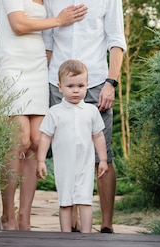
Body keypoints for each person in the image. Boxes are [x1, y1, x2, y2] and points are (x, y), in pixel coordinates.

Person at [0, 0, 88, 231]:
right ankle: (7, 214)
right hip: (12, 66)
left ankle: (25, 216)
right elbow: (18, 24)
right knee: (17, 141)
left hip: (37, 68)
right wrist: (59, 20)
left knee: (36, 143)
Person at [43, 0, 126, 234]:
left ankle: (105, 224)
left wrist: (111, 83)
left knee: (103, 155)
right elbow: (48, 44)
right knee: (66, 154)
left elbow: (117, 41)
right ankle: (73, 223)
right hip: (57, 86)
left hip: (96, 86)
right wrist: (45, 84)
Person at [36, 59, 108, 233]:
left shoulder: (91, 111)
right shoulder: (55, 112)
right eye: (70, 86)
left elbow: (98, 136)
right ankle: (65, 236)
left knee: (85, 200)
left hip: (85, 165)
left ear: (87, 85)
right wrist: (40, 160)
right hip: (64, 167)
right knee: (66, 202)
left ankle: (87, 235)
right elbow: (45, 137)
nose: (76, 90)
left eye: (80, 85)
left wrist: (103, 160)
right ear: (60, 87)